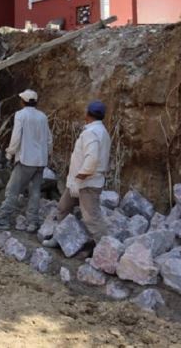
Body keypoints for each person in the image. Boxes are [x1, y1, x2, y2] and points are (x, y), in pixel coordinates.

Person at [43, 100, 111, 248]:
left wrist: (81, 175)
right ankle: (58, 238)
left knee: (91, 218)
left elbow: (91, 159)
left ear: (88, 114)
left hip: (86, 183)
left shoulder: (92, 133)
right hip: (80, 182)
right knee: (63, 208)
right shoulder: (102, 131)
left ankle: (106, 250)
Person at [0, 89, 52, 232]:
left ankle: (3, 220)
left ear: (23, 102)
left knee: (12, 191)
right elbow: (49, 139)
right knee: (35, 192)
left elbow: (16, 138)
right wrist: (47, 155)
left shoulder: (21, 115)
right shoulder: (42, 116)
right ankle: (32, 223)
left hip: (25, 160)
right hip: (40, 161)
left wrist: (10, 153)